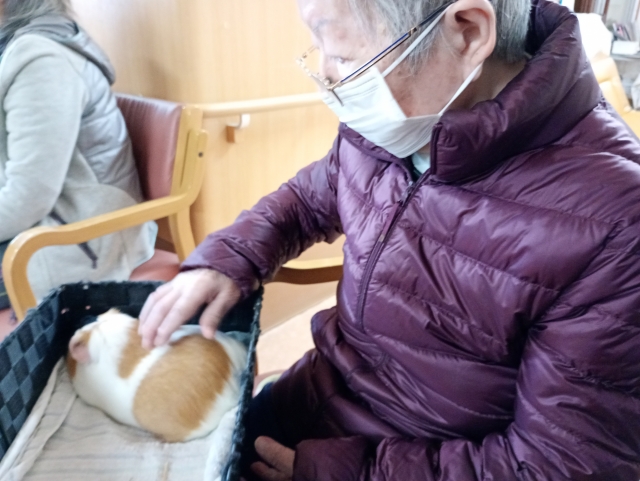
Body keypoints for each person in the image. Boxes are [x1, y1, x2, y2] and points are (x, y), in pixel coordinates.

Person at [139, 0, 640, 479]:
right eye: (320, 48)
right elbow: (314, 194)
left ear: (468, 31)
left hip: (413, 457)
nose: (329, 77)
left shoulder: (617, 225)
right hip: (316, 391)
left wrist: (344, 472)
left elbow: (561, 463)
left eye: (344, 57)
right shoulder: (397, 121)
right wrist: (232, 255)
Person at [0, 0, 156, 308]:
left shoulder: (43, 61)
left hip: (76, 240)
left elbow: (28, 198)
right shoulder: (23, 44)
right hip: (45, 224)